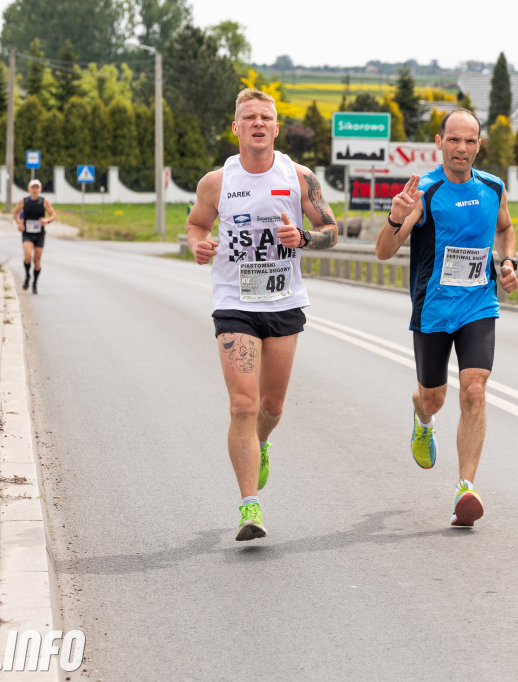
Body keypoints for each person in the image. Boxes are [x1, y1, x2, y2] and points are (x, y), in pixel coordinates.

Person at [186, 88, 339, 541]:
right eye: (249, 117)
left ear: (276, 128)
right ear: (236, 128)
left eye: (265, 118)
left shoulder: (298, 177)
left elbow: (331, 230)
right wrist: (199, 244)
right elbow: (198, 224)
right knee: (243, 405)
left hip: (283, 301)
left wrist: (306, 239)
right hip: (235, 303)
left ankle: (263, 442)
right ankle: (249, 506)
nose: (257, 123)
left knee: (270, 408)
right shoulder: (217, 181)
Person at [375, 107, 518, 528]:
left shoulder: (493, 187)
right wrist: (397, 216)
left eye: (469, 141)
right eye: (453, 140)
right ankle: (422, 417)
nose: (461, 148)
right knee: (433, 397)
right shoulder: (426, 192)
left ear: (479, 145)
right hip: (433, 310)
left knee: (473, 389)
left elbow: (505, 229)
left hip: (478, 305)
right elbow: (384, 251)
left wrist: (507, 262)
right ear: (439, 142)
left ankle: (466, 488)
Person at [13, 179, 56, 294]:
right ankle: (27, 275)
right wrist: (19, 223)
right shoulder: (23, 201)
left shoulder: (44, 202)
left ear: (40, 189)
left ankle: (35, 283)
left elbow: (53, 215)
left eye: (37, 188)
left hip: (39, 234)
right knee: (27, 257)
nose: (35, 190)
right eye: (33, 187)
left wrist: (47, 220)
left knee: (37, 262)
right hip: (27, 233)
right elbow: (15, 213)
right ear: (29, 189)